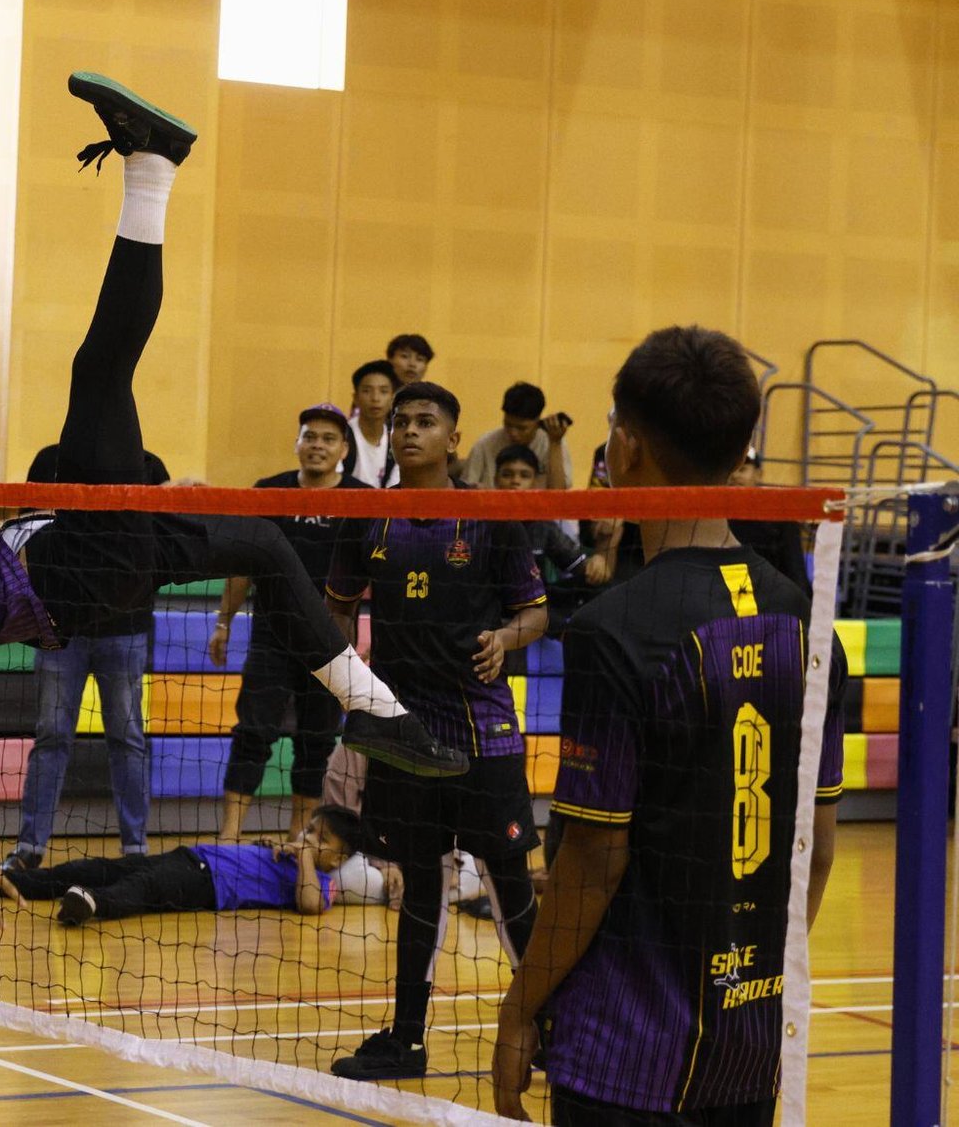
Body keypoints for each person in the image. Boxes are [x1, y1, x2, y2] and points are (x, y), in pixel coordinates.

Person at [0, 72, 465, 909]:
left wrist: (132, 497)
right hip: (65, 580)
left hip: (74, 548)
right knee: (97, 371)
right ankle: (153, 168)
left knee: (260, 536)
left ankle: (381, 713)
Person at [492, 326, 848, 1125]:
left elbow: (591, 861)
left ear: (624, 444)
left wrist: (519, 1009)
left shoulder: (617, 630)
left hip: (625, 1057)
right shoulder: (807, 625)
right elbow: (816, 851)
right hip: (751, 1046)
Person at [325, 380, 550, 1082]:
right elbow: (335, 614)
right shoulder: (371, 519)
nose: (410, 430)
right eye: (401, 422)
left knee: (511, 885)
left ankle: (557, 1030)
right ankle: (407, 1038)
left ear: (456, 439)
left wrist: (506, 636)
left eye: (427, 421)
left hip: (484, 739)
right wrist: (348, 683)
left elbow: (536, 613)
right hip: (404, 739)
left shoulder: (490, 518)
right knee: (418, 886)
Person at [209, 402, 368, 840]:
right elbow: (242, 565)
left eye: (328, 439)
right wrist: (223, 622)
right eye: (309, 436)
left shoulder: (362, 500)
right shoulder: (268, 491)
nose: (317, 445)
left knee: (316, 742)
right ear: (297, 443)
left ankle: (301, 838)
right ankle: (229, 836)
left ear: (344, 450)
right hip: (272, 638)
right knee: (252, 733)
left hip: (330, 643)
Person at [2, 443, 163, 874]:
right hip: (59, 628)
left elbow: (161, 536)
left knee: (127, 738)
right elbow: (23, 528)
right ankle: (30, 847)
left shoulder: (146, 465)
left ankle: (136, 851)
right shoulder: (48, 461)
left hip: (125, 628)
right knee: (52, 735)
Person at [0, 804, 365, 925]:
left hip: (206, 885)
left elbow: (310, 904)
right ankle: (12, 882)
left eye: (321, 838)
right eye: (310, 829)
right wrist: (267, 846)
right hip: (191, 857)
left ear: (338, 858)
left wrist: (302, 858)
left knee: (145, 889)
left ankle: (92, 904)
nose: (308, 837)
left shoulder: (320, 881)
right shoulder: (287, 853)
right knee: (99, 867)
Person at [494, 444, 589, 581]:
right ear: (495, 479)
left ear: (535, 482)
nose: (515, 481)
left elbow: (577, 564)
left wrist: (596, 564)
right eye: (507, 474)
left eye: (524, 475)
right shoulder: (481, 522)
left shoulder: (543, 525)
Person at [727, 447, 810, 594]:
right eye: (730, 470)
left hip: (768, 601)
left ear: (758, 474)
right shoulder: (711, 519)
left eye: (742, 469)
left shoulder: (780, 519)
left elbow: (795, 573)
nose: (735, 476)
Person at [459, 382, 572, 490]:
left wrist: (555, 443)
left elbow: (558, 494)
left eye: (521, 428)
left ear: (538, 422)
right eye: (508, 425)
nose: (513, 433)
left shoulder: (552, 441)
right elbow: (465, 489)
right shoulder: (485, 444)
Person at [346, 360, 400, 489]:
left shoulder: (397, 438)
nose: (375, 398)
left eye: (383, 391)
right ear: (355, 398)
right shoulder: (343, 434)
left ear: (393, 398)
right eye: (367, 391)